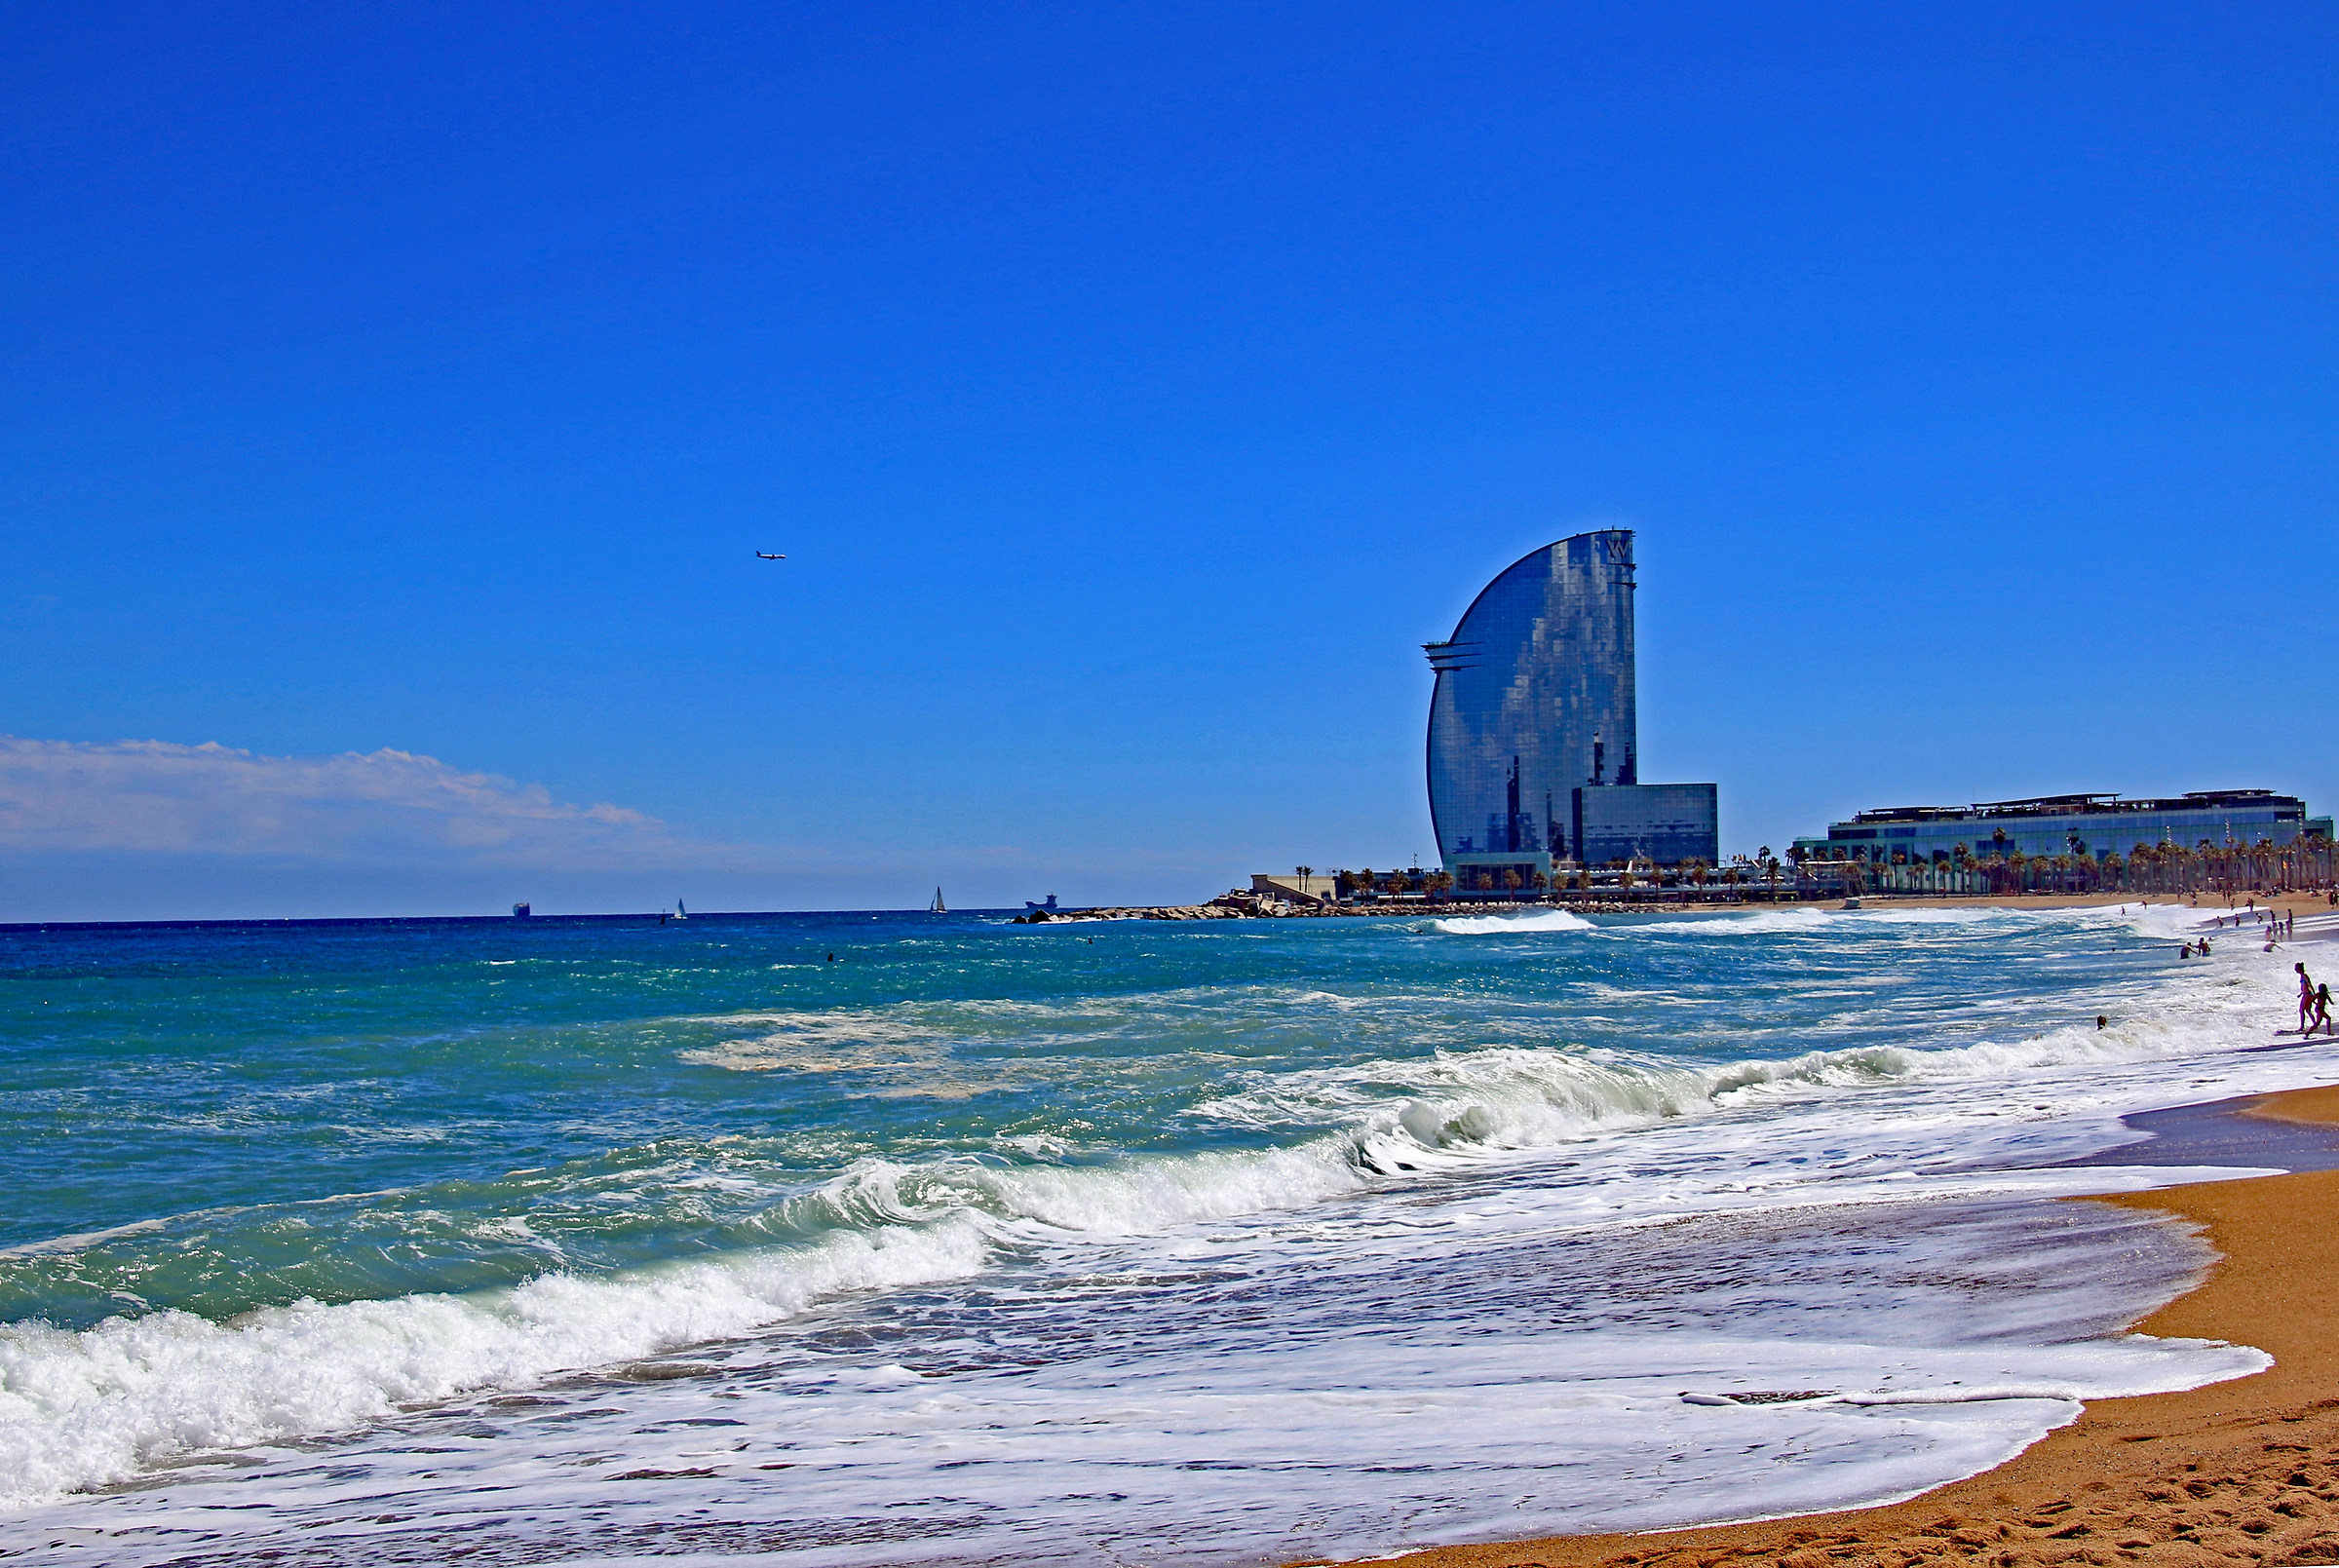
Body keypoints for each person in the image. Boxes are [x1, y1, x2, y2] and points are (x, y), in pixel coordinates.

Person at [2301, 964, 2318, 1033]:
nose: (2295, 970)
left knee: (2303, 1010)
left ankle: (2302, 1026)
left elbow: (2309, 984)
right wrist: (2300, 993)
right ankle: (2314, 1023)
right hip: (2305, 994)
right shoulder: (2302, 976)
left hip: (2307, 995)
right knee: (2307, 1010)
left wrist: (2313, 994)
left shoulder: (2304, 976)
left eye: (2296, 969)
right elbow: (2304, 986)